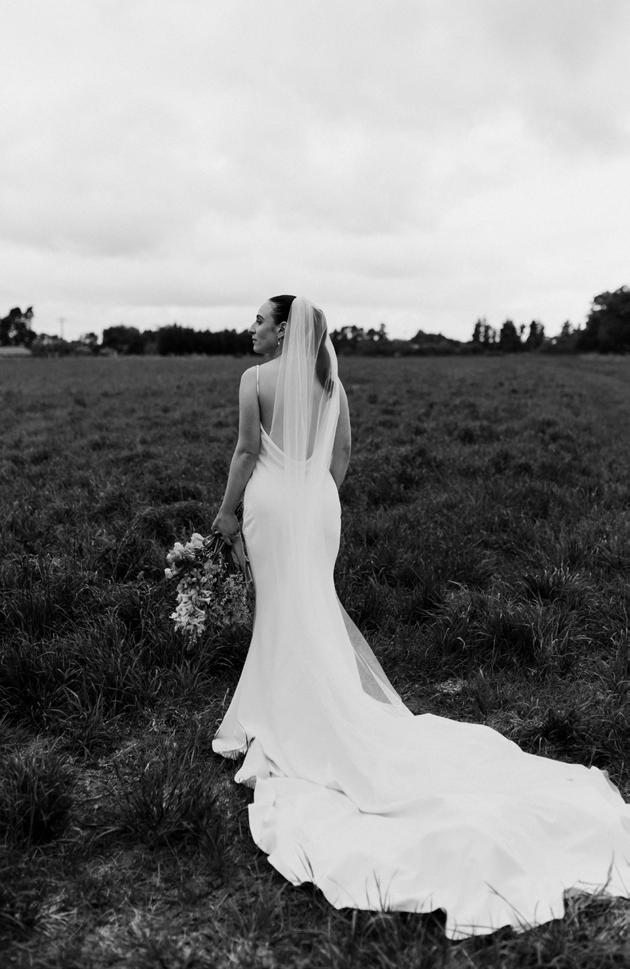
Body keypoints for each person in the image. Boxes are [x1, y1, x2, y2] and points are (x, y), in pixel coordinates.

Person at [211, 295, 630, 940]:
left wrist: (226, 512)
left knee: (283, 609)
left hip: (271, 505)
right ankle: (298, 700)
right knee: (309, 603)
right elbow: (343, 452)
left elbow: (245, 452)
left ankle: (288, 713)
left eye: (261, 321)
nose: (253, 330)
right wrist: (315, 494)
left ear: (284, 330)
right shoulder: (331, 383)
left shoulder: (253, 381)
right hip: (318, 508)